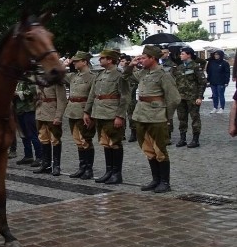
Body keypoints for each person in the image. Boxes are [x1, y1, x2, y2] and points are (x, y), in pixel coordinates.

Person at [123, 45, 181, 193]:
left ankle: (165, 182)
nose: (141, 60)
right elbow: (126, 76)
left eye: (143, 58)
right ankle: (155, 179)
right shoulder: (143, 73)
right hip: (141, 115)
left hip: (157, 117)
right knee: (148, 149)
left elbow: (173, 99)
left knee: (160, 150)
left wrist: (167, 117)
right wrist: (130, 65)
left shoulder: (163, 75)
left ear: (153, 58)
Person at [84, 49, 130, 184]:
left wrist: (120, 116)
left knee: (115, 143)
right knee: (106, 143)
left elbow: (125, 97)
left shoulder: (119, 75)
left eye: (102, 58)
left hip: (112, 113)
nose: (100, 60)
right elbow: (92, 95)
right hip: (100, 114)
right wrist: (87, 112)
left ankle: (117, 173)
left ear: (110, 60)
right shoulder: (100, 75)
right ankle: (109, 171)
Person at [64, 51, 96, 179]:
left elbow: (92, 97)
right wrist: (65, 64)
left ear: (85, 61)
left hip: (84, 111)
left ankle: (89, 169)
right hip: (72, 111)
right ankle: (82, 167)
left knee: (86, 140)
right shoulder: (73, 76)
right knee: (78, 141)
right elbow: (56, 73)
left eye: (77, 61)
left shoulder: (93, 77)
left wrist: (88, 113)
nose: (75, 63)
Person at [32, 80, 68, 175]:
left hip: (52, 114)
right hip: (40, 114)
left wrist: (58, 116)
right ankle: (46, 164)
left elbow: (62, 100)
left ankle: (56, 166)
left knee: (55, 139)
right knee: (43, 139)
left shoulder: (56, 80)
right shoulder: (39, 79)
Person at [173, 46, 206, 148]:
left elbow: (202, 83)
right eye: (181, 54)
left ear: (189, 55)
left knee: (195, 118)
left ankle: (195, 139)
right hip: (181, 97)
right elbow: (176, 82)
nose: (180, 55)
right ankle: (182, 139)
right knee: (182, 118)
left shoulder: (196, 67)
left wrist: (200, 97)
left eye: (183, 54)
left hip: (192, 97)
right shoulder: (179, 67)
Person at [13, 77, 41, 166]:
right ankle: (28, 156)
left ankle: (39, 157)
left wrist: (17, 94)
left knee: (33, 134)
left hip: (29, 110)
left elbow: (33, 91)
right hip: (19, 109)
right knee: (24, 135)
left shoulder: (30, 78)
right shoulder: (18, 78)